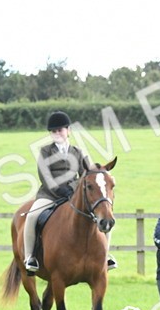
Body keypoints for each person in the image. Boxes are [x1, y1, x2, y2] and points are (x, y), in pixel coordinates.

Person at [22, 111, 115, 273]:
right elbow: (44, 175)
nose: (58, 133)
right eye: (54, 131)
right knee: (31, 216)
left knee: (103, 216)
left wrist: (78, 187)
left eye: (60, 130)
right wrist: (59, 189)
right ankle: (30, 257)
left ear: (68, 131)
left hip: (74, 195)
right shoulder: (45, 151)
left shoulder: (78, 152)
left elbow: (88, 174)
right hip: (50, 195)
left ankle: (105, 256)